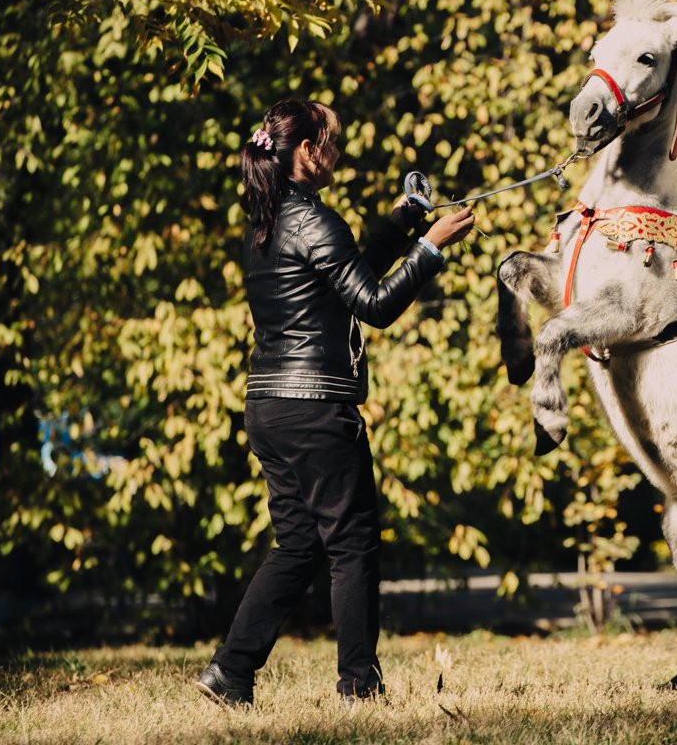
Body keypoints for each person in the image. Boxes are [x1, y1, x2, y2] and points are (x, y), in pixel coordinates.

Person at [196, 99, 474, 707]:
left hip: (269, 407)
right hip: (317, 408)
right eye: (333, 140)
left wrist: (403, 221)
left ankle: (230, 671)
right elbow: (372, 304)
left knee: (298, 545)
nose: (339, 151)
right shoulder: (313, 221)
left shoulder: (268, 223)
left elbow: (346, 282)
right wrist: (428, 249)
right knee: (352, 543)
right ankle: (359, 687)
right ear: (306, 151)